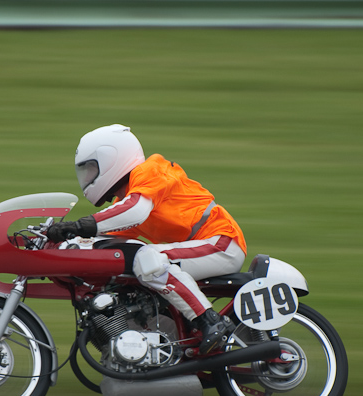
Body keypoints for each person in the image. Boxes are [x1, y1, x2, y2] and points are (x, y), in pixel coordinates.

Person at [47, 124, 247, 355]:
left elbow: (133, 211)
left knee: (150, 260)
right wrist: (66, 242)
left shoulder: (150, 171)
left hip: (221, 242)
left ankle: (211, 321)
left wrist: (79, 225)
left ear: (113, 157)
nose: (88, 177)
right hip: (198, 247)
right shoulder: (128, 200)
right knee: (127, 269)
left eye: (91, 169)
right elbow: (108, 236)